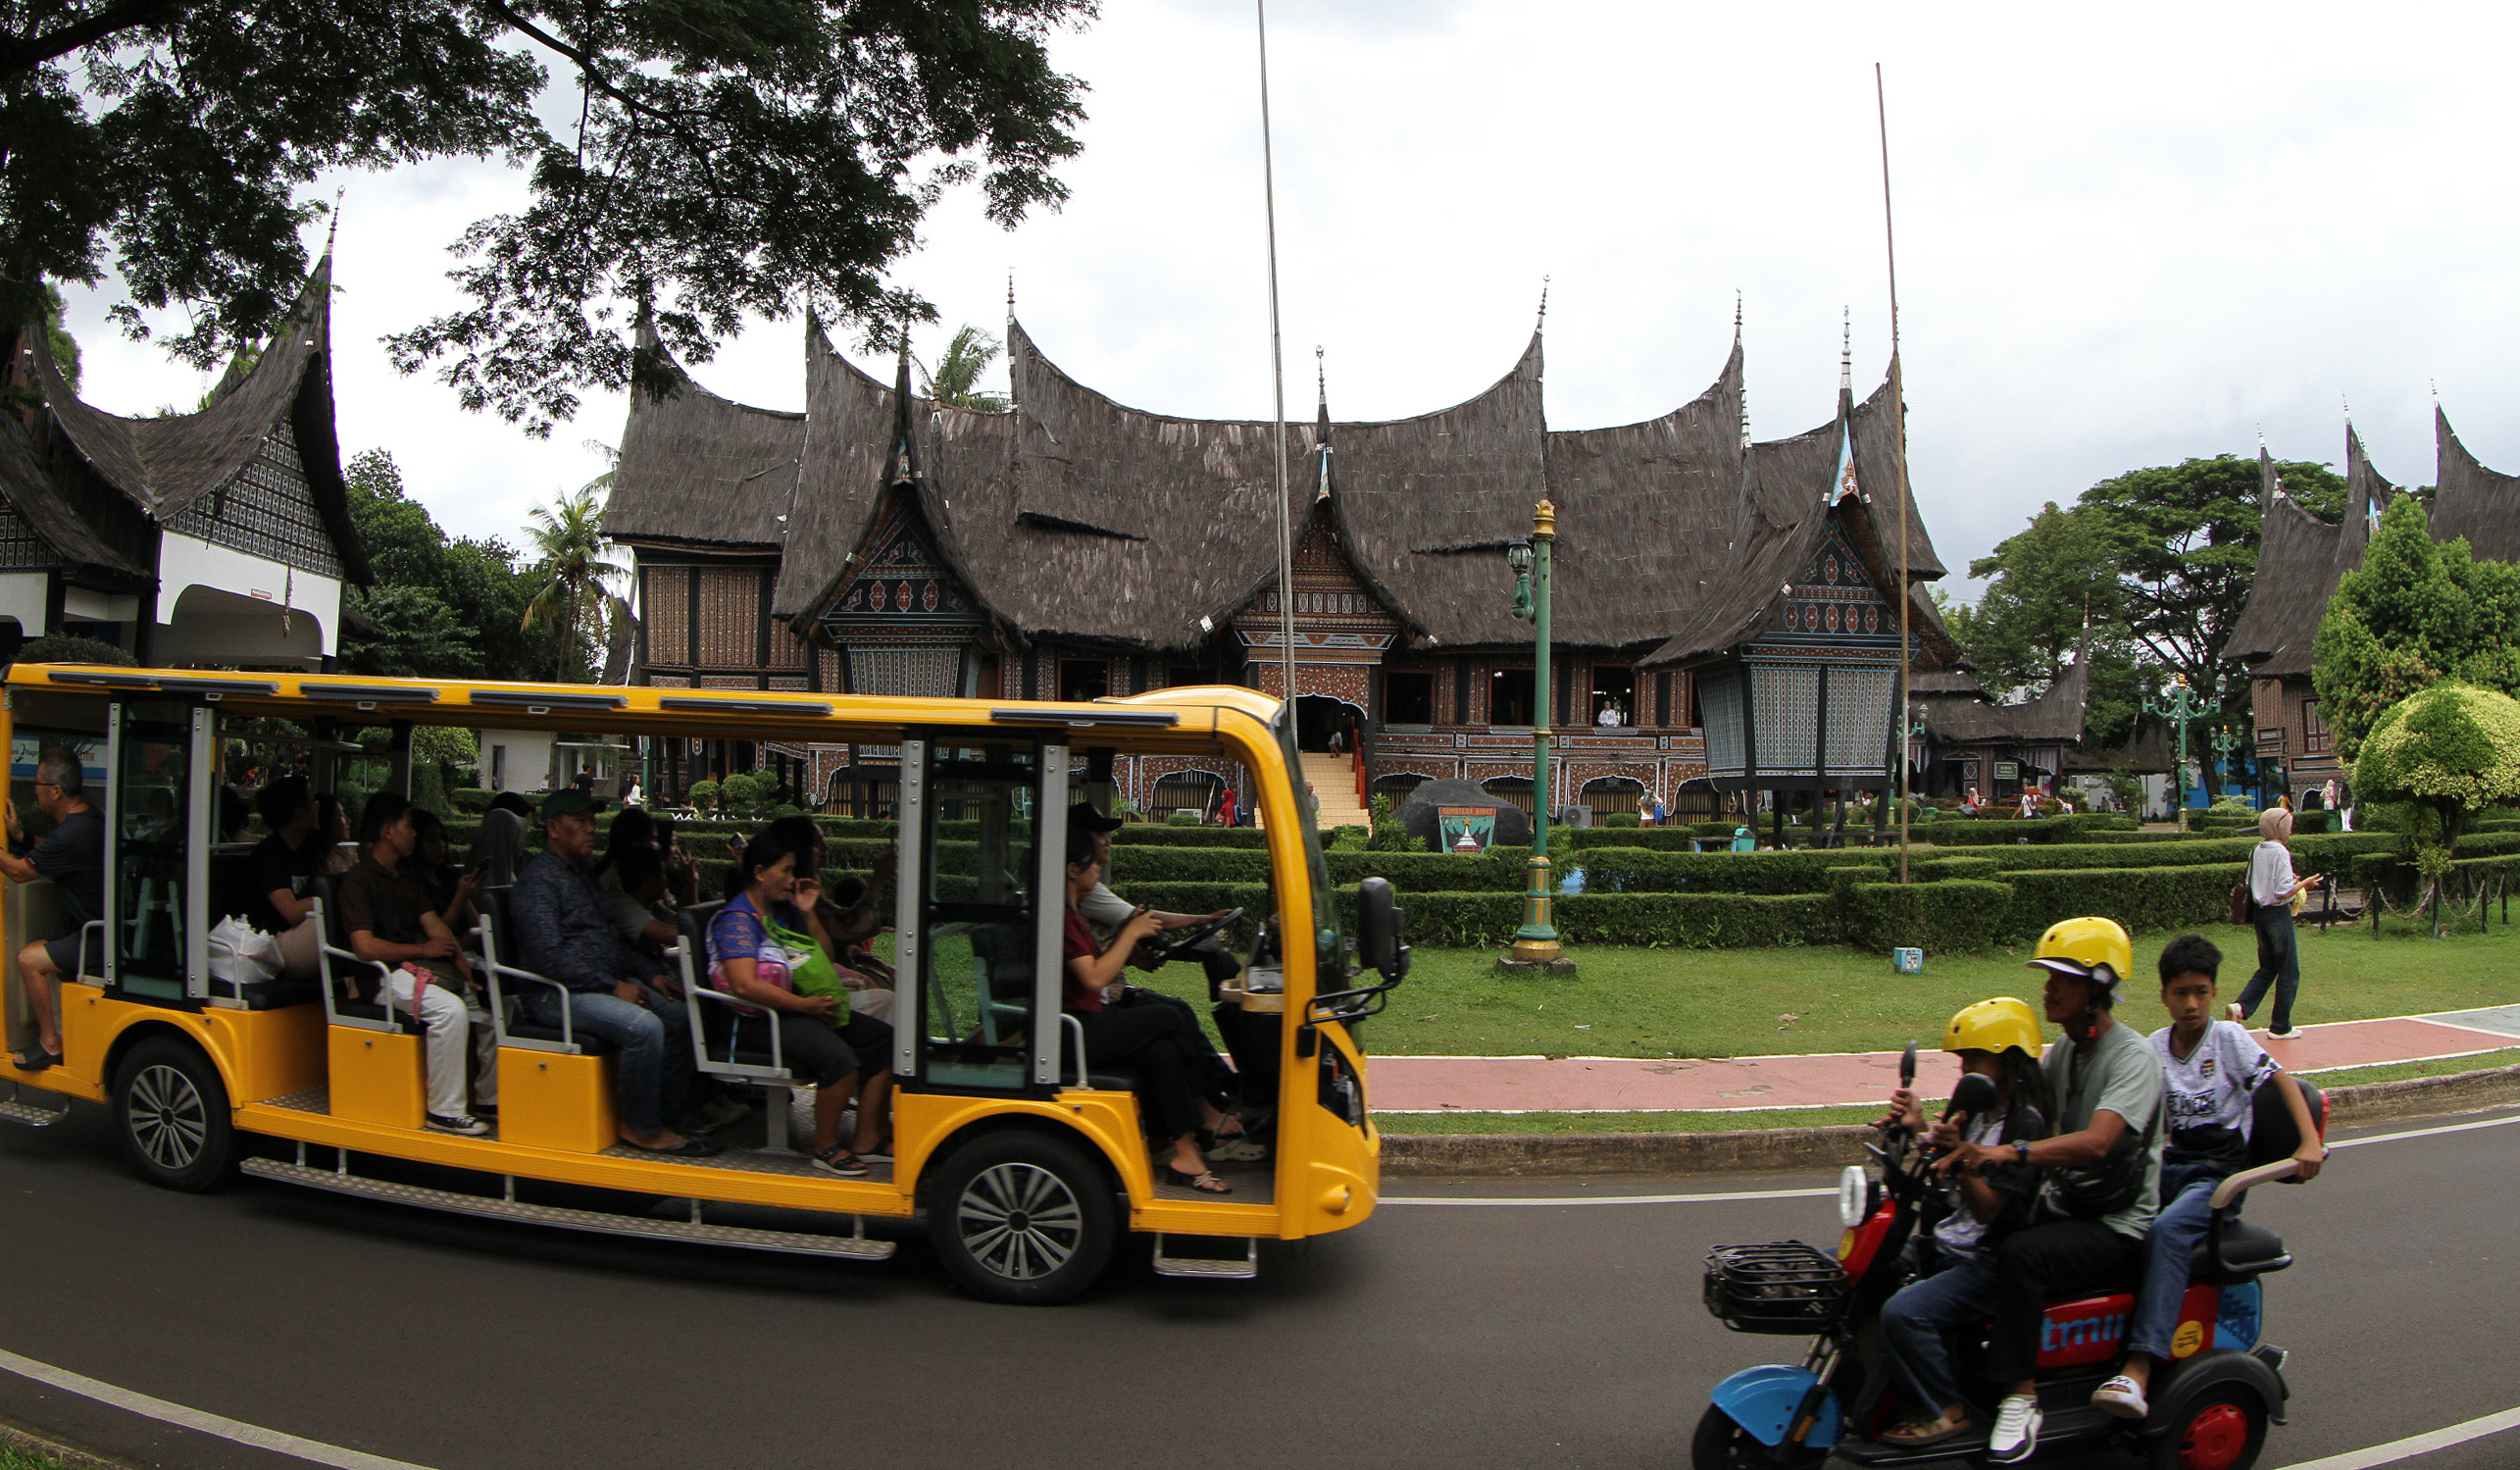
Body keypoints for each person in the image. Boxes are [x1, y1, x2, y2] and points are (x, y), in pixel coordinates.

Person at [1942, 917, 2166, 1464]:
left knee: (2022, 1254)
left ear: (2098, 987)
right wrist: (1944, 1131)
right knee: (1986, 1236)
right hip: (2072, 1204)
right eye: (2048, 977)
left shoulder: (2134, 1058)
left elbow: (2096, 1143)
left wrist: (2009, 1153)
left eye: (2062, 978)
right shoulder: (2064, 1052)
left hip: (2117, 1222)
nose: (2048, 989)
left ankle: (2021, 1399)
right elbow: (2025, 1114)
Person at [2090, 935, 2326, 1420]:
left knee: (2168, 1231)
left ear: (2214, 993)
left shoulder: (2229, 1040)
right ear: (2164, 997)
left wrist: (2309, 1142)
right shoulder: (2153, 1048)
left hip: (2216, 1180)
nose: (2192, 1004)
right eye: (2181, 993)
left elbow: (2282, 1081)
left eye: (2200, 991)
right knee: (2104, 1214)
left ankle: (2139, 1366)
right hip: (2169, 1169)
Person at [1875, 999, 2053, 1447]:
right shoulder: (1976, 1112)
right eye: (1963, 1059)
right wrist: (1917, 1128)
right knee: (1870, 1273)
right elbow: (1940, 1164)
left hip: (1986, 1262)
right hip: (1949, 1245)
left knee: (1904, 1313)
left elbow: (1990, 1210)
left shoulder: (2025, 1126)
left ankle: (1945, 1408)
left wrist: (1964, 1165)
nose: (1965, 1069)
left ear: (2009, 1060)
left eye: (1975, 1058)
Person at [508, 788, 717, 1156]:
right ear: (554, 829)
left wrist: (649, 973)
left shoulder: (582, 875)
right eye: (581, 822)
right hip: (554, 994)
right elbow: (550, 957)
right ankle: (640, 1128)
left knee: (684, 1017)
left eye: (592, 821)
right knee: (645, 1027)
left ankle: (657, 1116)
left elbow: (610, 940)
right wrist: (613, 985)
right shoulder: (538, 883)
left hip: (599, 983)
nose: (591, 829)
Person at [706, 829, 895, 1176]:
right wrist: (802, 1006)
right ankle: (825, 1146)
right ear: (761, 872)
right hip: (756, 1022)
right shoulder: (736, 921)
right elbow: (744, 986)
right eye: (787, 871)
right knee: (840, 1060)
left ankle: (868, 1138)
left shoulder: (782, 912)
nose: (794, 879)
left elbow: (820, 959)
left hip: (793, 1011)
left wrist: (807, 914)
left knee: (883, 1040)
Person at [1061, 825, 1235, 1193]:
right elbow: (1093, 980)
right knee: (1171, 1017)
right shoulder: (1062, 917)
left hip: (1090, 1018)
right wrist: (1131, 934)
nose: (1098, 870)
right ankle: (1205, 1112)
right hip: (1075, 1029)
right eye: (1091, 864)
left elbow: (1096, 963)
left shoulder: (1074, 913)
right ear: (1073, 869)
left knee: (1162, 1052)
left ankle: (1182, 1152)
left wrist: (1133, 949)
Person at [337, 792, 496, 1136]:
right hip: (383, 978)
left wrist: (460, 964)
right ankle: (444, 1110)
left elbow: (433, 924)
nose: (413, 834)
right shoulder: (358, 880)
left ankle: (488, 1098)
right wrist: (423, 950)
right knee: (449, 1011)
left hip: (422, 968)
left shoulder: (406, 875)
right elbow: (364, 947)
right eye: (409, 826)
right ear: (388, 831)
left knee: (488, 1005)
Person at [0, 749, 103, 1071]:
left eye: (38, 784)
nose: (34, 790)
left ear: (55, 791)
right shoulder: (88, 819)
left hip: (96, 941)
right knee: (41, 951)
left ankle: (50, 1043)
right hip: (101, 929)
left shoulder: (71, 833)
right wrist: (20, 836)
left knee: (28, 960)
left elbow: (19, 872)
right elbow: (52, 851)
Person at [2233, 807, 2313, 1039]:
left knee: (2268, 967)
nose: (2290, 829)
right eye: (2288, 825)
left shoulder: (2258, 849)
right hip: (2278, 915)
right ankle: (2280, 1026)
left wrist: (2291, 882)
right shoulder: (2280, 851)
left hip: (2260, 914)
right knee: (2289, 971)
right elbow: (2283, 892)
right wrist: (2304, 884)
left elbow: (2253, 882)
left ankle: (2241, 1007)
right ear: (2279, 827)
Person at [239, 776, 328, 981]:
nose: (316, 810)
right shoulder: (269, 856)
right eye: (312, 805)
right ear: (298, 814)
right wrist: (332, 898)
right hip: (273, 944)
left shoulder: (306, 851)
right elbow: (292, 911)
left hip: (298, 936)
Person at [409, 807, 484, 938]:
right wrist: (460, 896)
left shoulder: (449, 878)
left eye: (442, 838)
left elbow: (476, 926)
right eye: (431, 840)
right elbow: (438, 933)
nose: (440, 845)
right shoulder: (411, 884)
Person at [312, 793, 353, 873]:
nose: (348, 821)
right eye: (341, 815)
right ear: (327, 820)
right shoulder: (312, 863)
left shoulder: (347, 856)